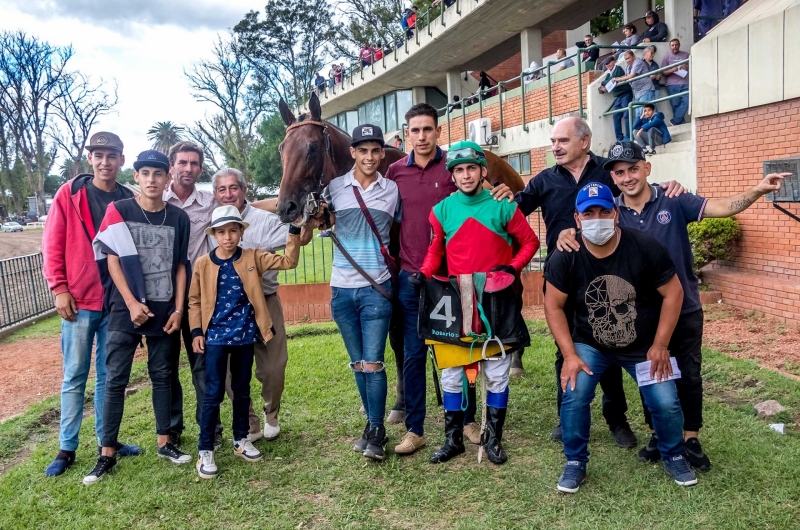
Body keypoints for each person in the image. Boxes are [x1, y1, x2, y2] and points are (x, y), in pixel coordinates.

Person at [556, 142, 788, 473]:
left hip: (685, 305)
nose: (627, 177)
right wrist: (569, 230)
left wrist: (757, 190)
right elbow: (588, 231)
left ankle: (690, 438)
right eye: (619, 172)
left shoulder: (673, 199)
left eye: (633, 169)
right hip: (643, 315)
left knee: (688, 375)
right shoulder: (610, 210)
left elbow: (721, 207)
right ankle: (658, 435)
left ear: (647, 168)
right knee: (654, 375)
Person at [496, 117, 685, 447]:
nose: (555, 146)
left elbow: (632, 193)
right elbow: (515, 210)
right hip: (564, 278)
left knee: (612, 343)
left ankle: (617, 420)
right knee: (565, 349)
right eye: (553, 141)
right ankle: (565, 415)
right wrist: (497, 194)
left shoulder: (607, 173)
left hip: (607, 275)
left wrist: (668, 188)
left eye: (562, 141)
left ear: (584, 142)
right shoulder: (544, 180)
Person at [544, 175, 696, 493]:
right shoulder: (566, 254)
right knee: (574, 394)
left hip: (642, 343)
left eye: (603, 211)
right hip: (590, 343)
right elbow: (553, 306)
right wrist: (570, 355)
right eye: (588, 214)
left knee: (666, 401)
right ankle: (574, 462)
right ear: (577, 217)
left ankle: (673, 454)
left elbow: (674, 293)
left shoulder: (643, 246)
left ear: (615, 213)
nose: (596, 219)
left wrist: (660, 345)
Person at [384, 104, 512, 456]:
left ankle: (467, 421)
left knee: (466, 349)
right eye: (415, 130)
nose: (421, 136)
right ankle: (415, 428)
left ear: (438, 131)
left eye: (428, 129)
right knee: (413, 354)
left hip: (456, 280)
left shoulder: (457, 164)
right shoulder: (395, 172)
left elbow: (491, 198)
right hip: (414, 276)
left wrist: (505, 191)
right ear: (407, 134)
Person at [413, 141, 539, 465]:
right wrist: (425, 273)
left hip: (497, 300)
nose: (466, 175)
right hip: (457, 303)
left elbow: (530, 242)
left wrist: (512, 268)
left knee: (497, 373)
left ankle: (493, 439)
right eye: (459, 170)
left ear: (483, 171)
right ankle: (453, 439)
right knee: (452, 376)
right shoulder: (441, 211)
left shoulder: (504, 206)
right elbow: (436, 251)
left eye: (471, 168)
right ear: (452, 175)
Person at [83, 150, 190, 485]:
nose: (152, 180)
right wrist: (130, 302)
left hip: (164, 310)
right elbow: (112, 259)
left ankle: (165, 442)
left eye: (158, 174)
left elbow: (181, 266)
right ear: (137, 177)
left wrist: (178, 309)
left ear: (168, 178)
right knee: (115, 380)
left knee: (163, 376)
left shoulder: (178, 217)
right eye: (145, 173)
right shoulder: (120, 210)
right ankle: (106, 454)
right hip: (123, 309)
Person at [42, 131, 140, 477]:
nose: (104, 162)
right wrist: (59, 287)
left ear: (121, 161)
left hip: (115, 301)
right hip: (80, 299)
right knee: (74, 375)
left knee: (108, 376)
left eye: (111, 155)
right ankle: (67, 448)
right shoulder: (70, 194)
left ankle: (106, 441)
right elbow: (53, 242)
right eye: (98, 155)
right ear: (90, 158)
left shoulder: (128, 198)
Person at [190, 205, 302, 479]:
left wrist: (295, 231)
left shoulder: (253, 257)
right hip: (215, 337)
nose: (227, 237)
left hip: (244, 336)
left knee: (241, 389)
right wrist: (196, 332)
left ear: (241, 232)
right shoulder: (203, 263)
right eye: (221, 232)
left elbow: (289, 262)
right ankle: (205, 450)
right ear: (214, 234)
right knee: (214, 391)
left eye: (232, 230)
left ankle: (241, 440)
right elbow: (194, 300)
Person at [212, 168, 317, 442]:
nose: (228, 194)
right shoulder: (213, 225)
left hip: (265, 300)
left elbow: (298, 239)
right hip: (228, 308)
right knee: (230, 372)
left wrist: (309, 220)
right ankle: (249, 421)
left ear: (244, 190)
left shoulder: (263, 221)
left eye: (233, 188)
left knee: (273, 366)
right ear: (215, 194)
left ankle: (272, 413)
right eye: (222, 189)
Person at [323, 124, 401, 462]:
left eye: (375, 150)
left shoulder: (393, 190)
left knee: (374, 363)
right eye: (362, 150)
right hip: (341, 290)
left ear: (382, 154)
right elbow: (314, 220)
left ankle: (377, 430)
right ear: (353, 152)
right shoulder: (334, 188)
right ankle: (371, 428)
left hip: (376, 289)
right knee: (358, 364)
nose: (369, 157)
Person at [162, 141, 222, 449]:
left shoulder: (210, 202)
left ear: (200, 168)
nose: (188, 168)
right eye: (182, 163)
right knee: (167, 364)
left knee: (202, 362)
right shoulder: (155, 199)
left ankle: (210, 425)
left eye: (194, 163)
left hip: (198, 296)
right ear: (171, 166)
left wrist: (282, 202)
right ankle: (171, 428)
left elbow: (243, 207)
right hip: (163, 297)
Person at [614, 50, 657, 119]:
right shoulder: (629, 66)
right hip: (637, 93)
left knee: (646, 113)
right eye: (626, 59)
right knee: (639, 114)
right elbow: (626, 75)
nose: (627, 60)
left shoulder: (638, 62)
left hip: (646, 90)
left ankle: (656, 128)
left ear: (633, 56)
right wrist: (616, 78)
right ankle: (641, 129)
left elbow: (631, 76)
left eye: (629, 58)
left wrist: (618, 80)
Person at [599, 57, 633, 141]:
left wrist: (605, 82)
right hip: (618, 96)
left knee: (626, 115)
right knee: (616, 116)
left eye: (609, 62)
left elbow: (609, 81)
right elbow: (606, 83)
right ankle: (619, 138)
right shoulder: (608, 74)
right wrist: (606, 84)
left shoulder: (618, 69)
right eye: (606, 64)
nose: (608, 65)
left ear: (614, 62)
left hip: (626, 93)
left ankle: (628, 136)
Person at [660, 39, 690, 125]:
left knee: (687, 102)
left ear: (679, 45)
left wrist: (686, 67)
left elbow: (694, 65)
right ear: (670, 47)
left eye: (676, 45)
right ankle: (681, 124)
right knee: (675, 105)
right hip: (672, 84)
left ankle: (675, 121)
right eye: (672, 45)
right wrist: (672, 70)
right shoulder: (667, 57)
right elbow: (662, 72)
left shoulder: (686, 55)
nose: (674, 47)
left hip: (685, 82)